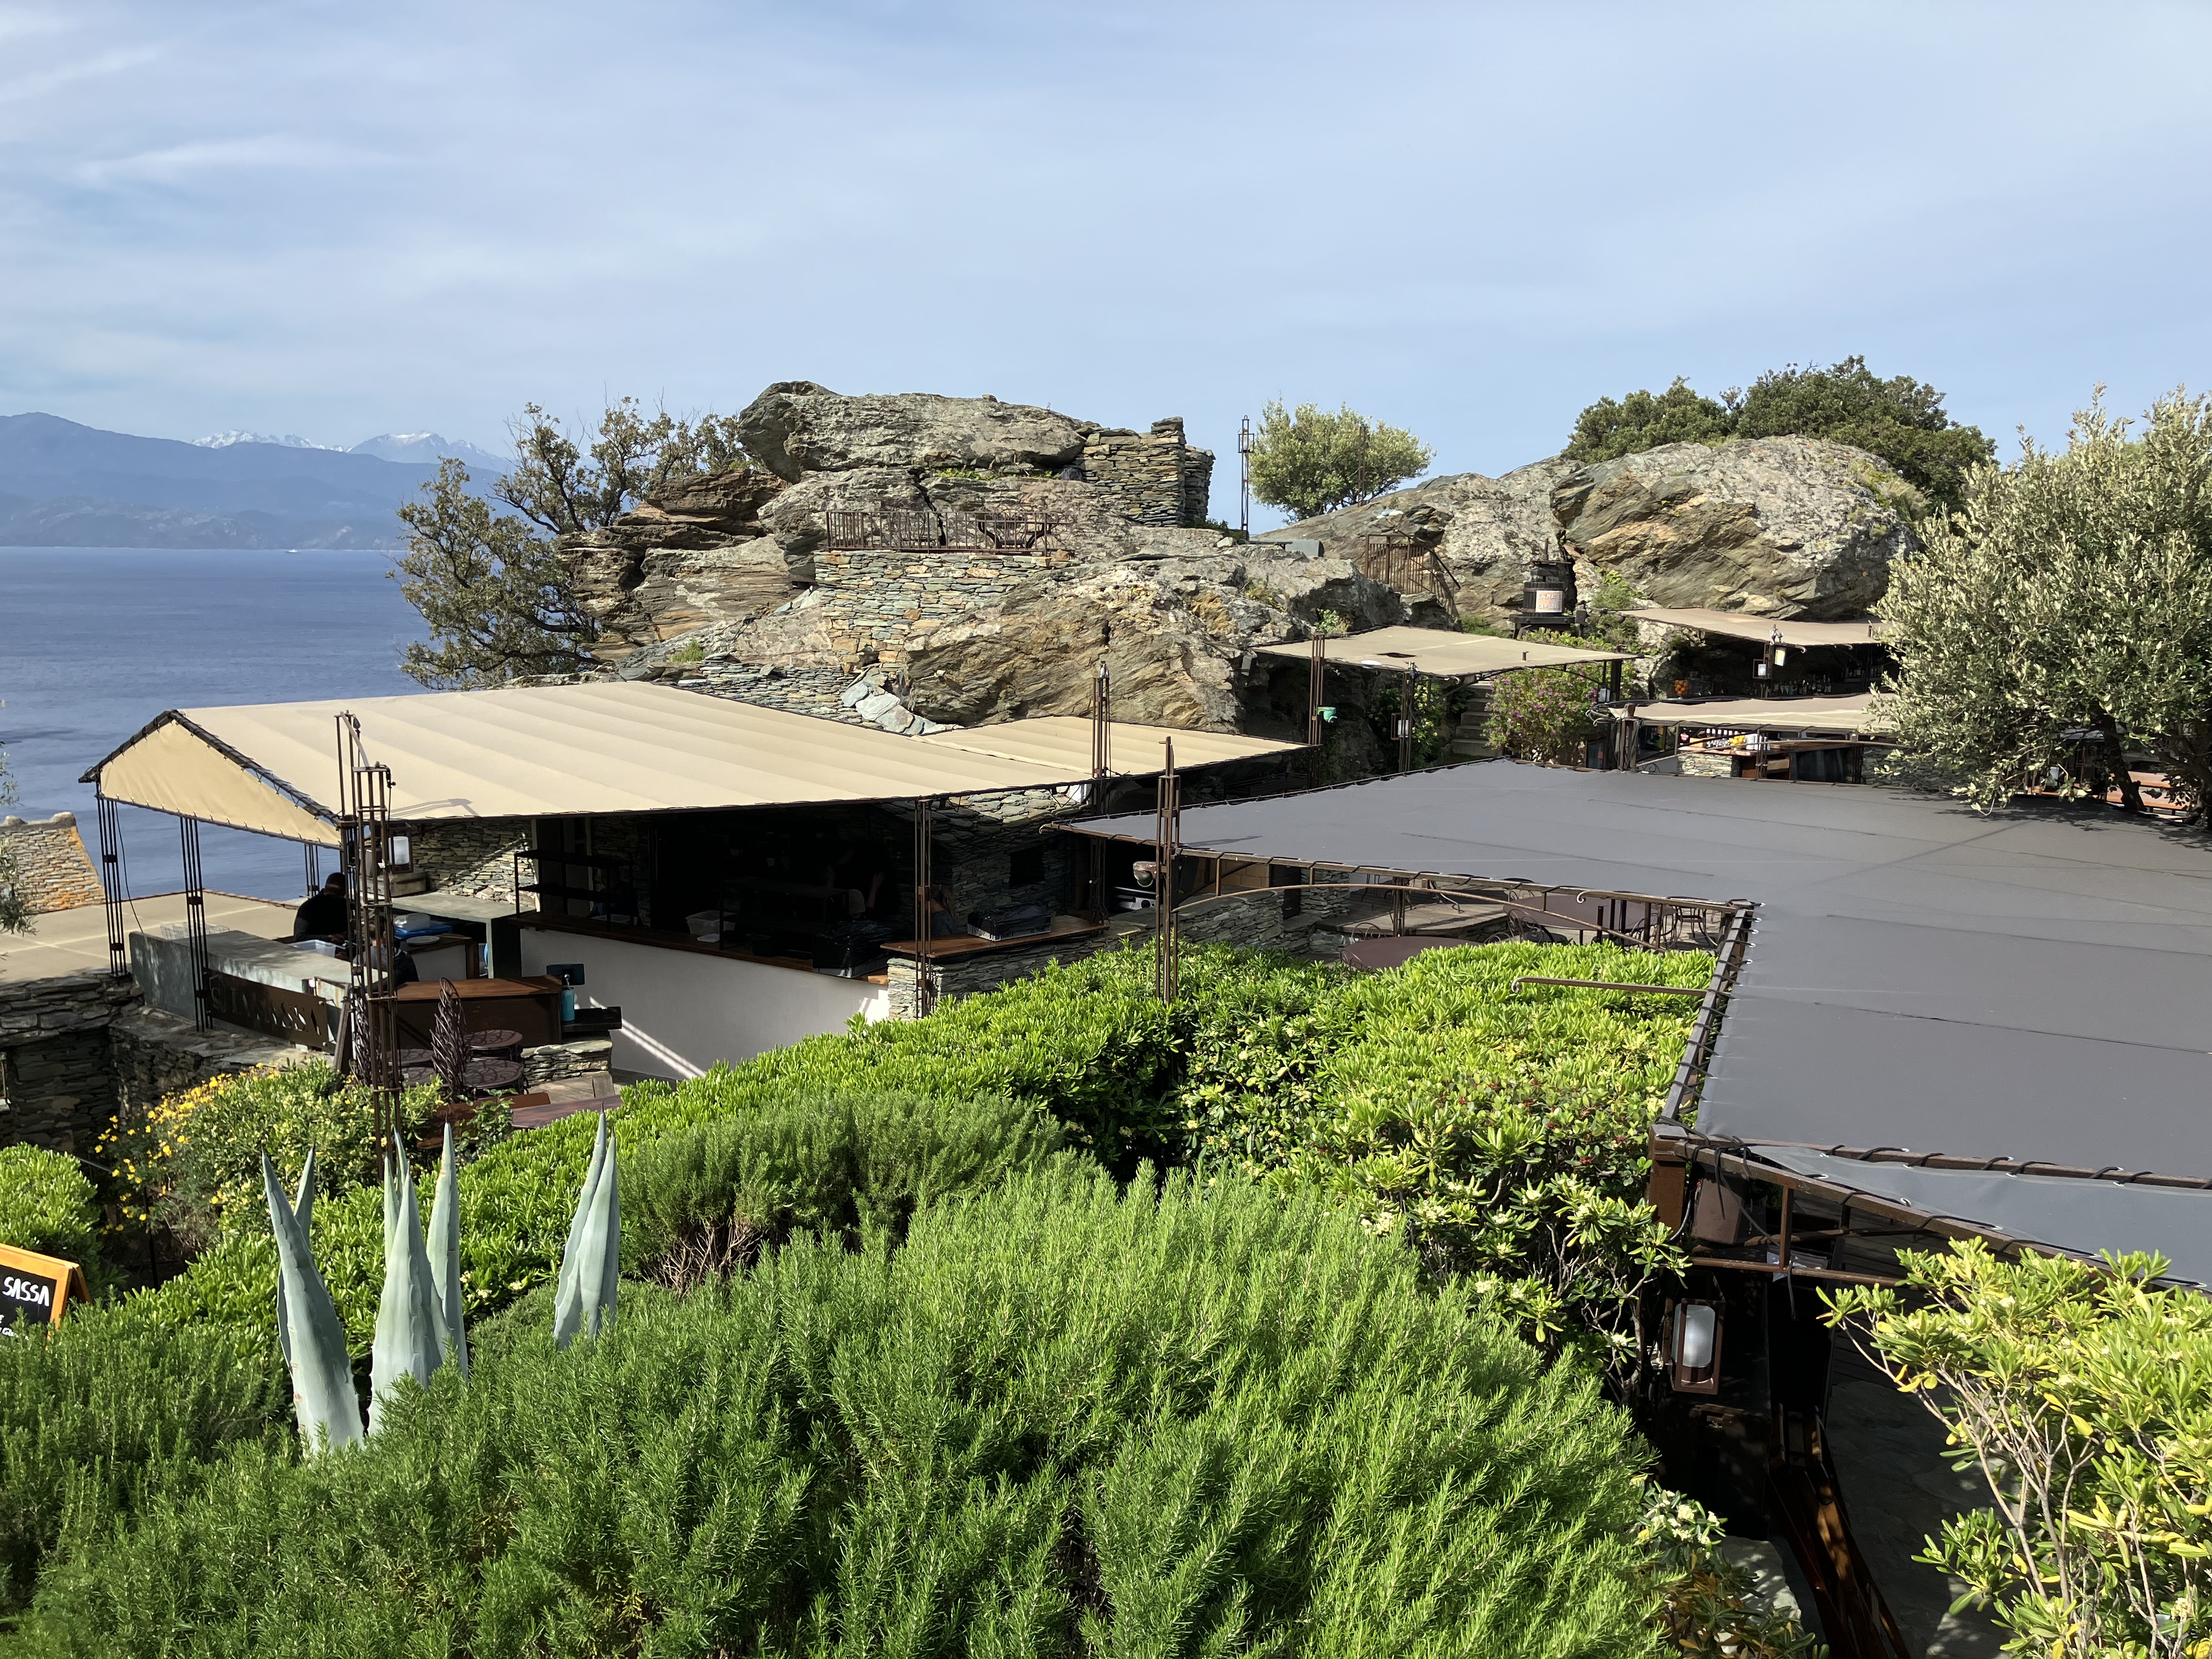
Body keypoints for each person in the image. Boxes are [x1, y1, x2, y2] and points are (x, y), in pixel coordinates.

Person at [294, 872, 348, 940]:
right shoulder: (309, 907)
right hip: (316, 946)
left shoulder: (343, 905)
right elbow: (299, 937)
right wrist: (328, 938)